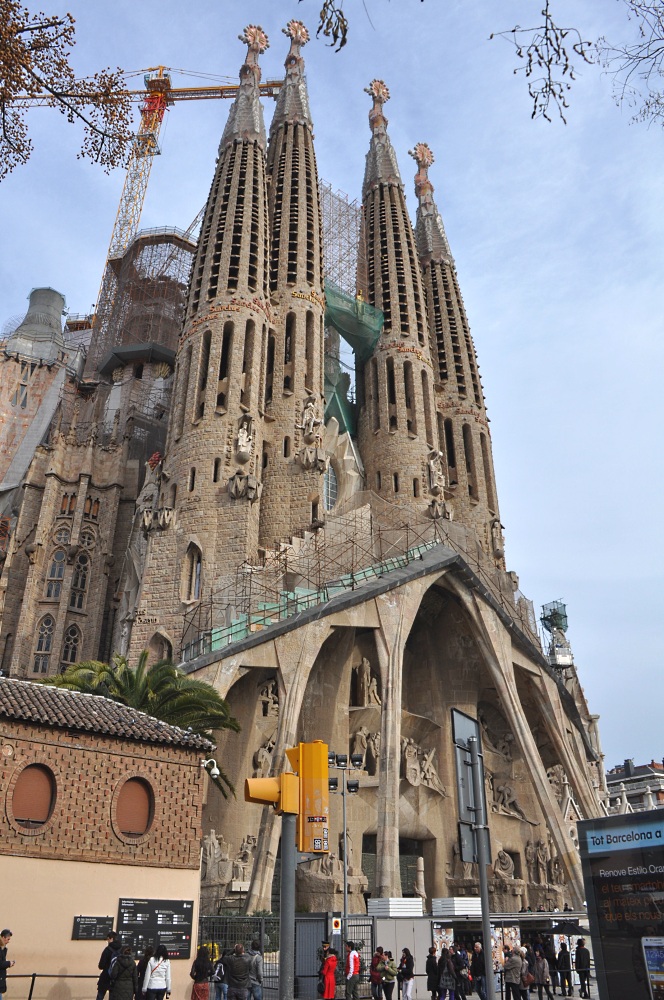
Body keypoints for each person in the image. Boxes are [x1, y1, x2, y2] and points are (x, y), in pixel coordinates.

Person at [97, 931, 122, 1000]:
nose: (107, 941)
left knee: (100, 996)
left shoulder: (107, 950)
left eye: (108, 939)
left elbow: (101, 965)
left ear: (111, 939)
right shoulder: (122, 950)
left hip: (105, 976)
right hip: (116, 978)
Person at [0, 930, 15, 1000]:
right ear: (3, 937)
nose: (8, 941)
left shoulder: (3, 949)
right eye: (8, 939)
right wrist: (9, 963)